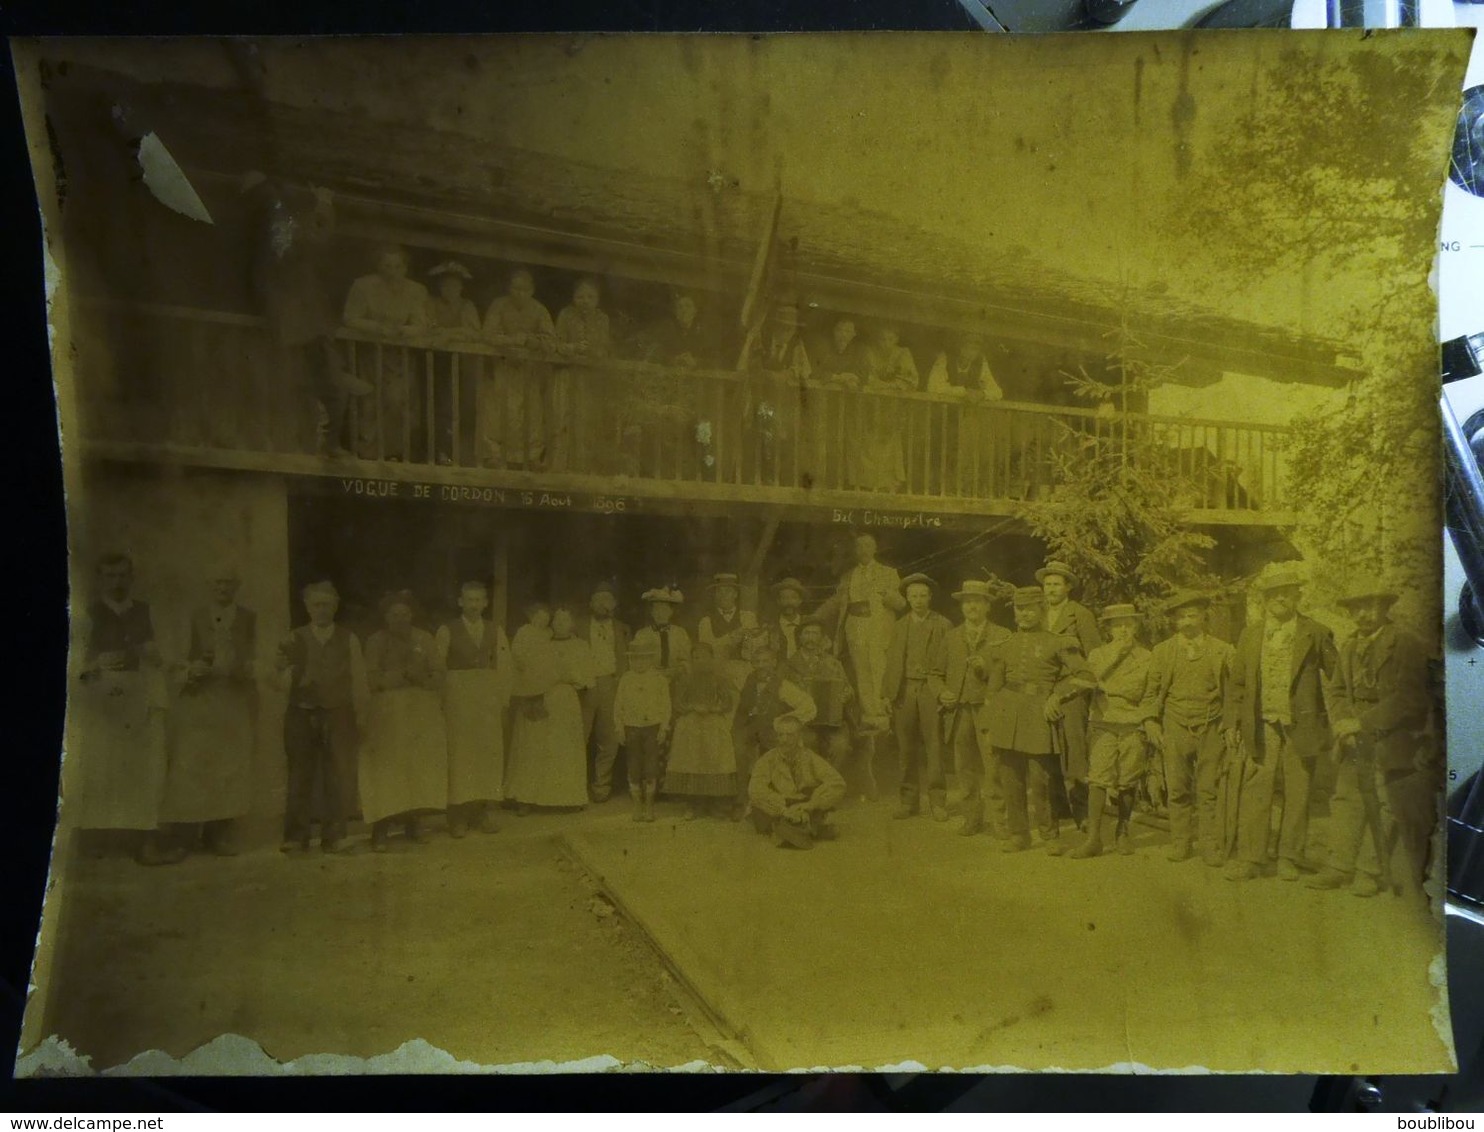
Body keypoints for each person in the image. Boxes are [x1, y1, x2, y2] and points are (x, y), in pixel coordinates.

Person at [1306, 581, 1436, 897]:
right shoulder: (1350, 646)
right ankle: (1340, 865)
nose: (1362, 614)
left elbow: (1411, 699)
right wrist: (1342, 724)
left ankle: (1370, 871)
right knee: (1346, 798)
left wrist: (1361, 723)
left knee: (1383, 803)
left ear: (1384, 608)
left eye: (1369, 607)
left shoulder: (1407, 644)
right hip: (1353, 739)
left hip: (1391, 738)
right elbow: (1336, 692)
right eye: (1355, 608)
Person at [1221, 563, 1338, 882]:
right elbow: (1238, 684)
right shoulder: (1251, 634)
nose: (1280, 599)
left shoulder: (1315, 632)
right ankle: (1251, 858)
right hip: (1260, 724)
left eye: (1287, 593)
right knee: (1256, 789)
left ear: (1297, 597)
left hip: (1302, 725)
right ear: (1264, 600)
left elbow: (1339, 677)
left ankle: (1289, 856)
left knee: (1298, 791)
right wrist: (1232, 722)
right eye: (1274, 594)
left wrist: (1340, 718)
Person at [242, 174, 368, 459]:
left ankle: (326, 444)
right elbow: (317, 238)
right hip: (301, 325)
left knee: (323, 387)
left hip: (300, 326)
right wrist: (324, 203)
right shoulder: (275, 228)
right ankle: (325, 444)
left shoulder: (271, 227)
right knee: (327, 386)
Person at [69, 553, 179, 865]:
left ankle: (146, 844)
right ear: (100, 579)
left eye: (122, 575)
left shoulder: (145, 611)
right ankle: (94, 841)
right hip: (103, 700)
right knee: (103, 768)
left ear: (131, 578)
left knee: (147, 769)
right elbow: (73, 666)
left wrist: (155, 656)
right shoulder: (86, 614)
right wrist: (95, 663)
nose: (116, 582)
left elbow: (165, 657)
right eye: (109, 576)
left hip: (140, 692)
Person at [983, 586, 1095, 853]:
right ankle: (1019, 834)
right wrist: (989, 722)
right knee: (1010, 778)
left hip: (1039, 716)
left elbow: (1086, 676)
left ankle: (1049, 835)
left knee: (1040, 779)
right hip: (1008, 716)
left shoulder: (1058, 642)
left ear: (1041, 610)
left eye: (1030, 609)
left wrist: (1057, 696)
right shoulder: (1005, 645)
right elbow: (994, 689)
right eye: (1020, 609)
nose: (1024, 614)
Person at [161, 565, 258, 857]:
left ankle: (219, 835)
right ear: (209, 586)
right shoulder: (195, 617)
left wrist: (246, 669)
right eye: (218, 582)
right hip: (200, 699)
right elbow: (176, 659)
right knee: (192, 763)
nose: (223, 588)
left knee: (228, 764)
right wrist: (192, 669)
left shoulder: (248, 618)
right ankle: (184, 835)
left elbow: (257, 657)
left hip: (232, 698)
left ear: (236, 586)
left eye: (228, 583)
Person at [274, 580, 369, 855]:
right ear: (307, 607)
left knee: (337, 774)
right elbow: (278, 681)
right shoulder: (294, 637)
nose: (321, 610)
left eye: (327, 604)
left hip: (338, 712)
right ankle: (296, 836)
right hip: (301, 712)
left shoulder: (348, 638)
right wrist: (284, 673)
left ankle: (335, 836)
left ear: (335, 607)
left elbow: (359, 680)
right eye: (316, 604)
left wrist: (361, 715)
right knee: (300, 775)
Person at [1146, 590, 1235, 865]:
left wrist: (1230, 725)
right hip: (1175, 725)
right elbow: (1151, 691)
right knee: (1177, 788)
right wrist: (1150, 721)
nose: (1187, 621)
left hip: (1211, 725)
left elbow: (1233, 693)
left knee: (1209, 788)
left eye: (1193, 615)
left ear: (1203, 617)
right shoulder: (1163, 652)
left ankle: (1209, 844)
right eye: (1181, 617)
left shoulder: (1223, 650)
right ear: (1174, 621)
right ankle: (1181, 842)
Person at [361, 591, 448, 851]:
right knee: (388, 769)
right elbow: (372, 677)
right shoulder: (376, 641)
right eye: (394, 614)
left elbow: (439, 673)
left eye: (405, 614)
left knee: (418, 766)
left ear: (412, 615)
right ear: (386, 617)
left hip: (420, 710)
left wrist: (422, 679)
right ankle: (381, 828)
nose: (400, 619)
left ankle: (414, 822)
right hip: (389, 712)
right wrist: (400, 675)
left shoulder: (425, 638)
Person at [1070, 605, 1158, 859]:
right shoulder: (1098, 655)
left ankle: (1123, 829)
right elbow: (1091, 681)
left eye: (1128, 624)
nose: (1122, 630)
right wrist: (1116, 656)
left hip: (1132, 723)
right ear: (1107, 629)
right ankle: (1093, 838)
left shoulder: (1147, 657)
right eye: (1117, 625)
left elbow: (1149, 692)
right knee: (1098, 778)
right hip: (1103, 723)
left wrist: (1145, 718)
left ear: (1136, 626)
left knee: (1128, 779)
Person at [435, 580, 512, 837]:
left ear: (486, 603)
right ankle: (457, 816)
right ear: (460, 602)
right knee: (460, 754)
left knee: (485, 754)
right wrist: (442, 701)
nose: (474, 605)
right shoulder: (447, 630)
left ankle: (480, 812)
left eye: (479, 600)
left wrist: (502, 698)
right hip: (459, 697)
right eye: (470, 600)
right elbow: (438, 667)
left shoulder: (494, 630)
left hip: (486, 698)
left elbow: (504, 666)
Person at [342, 244, 430, 462]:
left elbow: (422, 324)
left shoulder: (416, 290)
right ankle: (368, 453)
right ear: (379, 266)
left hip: (400, 357)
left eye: (397, 266)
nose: (392, 271)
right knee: (370, 402)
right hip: (371, 355)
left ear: (405, 268)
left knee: (399, 402)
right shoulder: (363, 286)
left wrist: (403, 330)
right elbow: (350, 318)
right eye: (387, 265)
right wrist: (377, 328)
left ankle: (395, 454)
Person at [1037, 559, 1102, 848]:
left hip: (1072, 691)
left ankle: (1082, 812)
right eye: (1047, 584)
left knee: (1074, 749)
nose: (1051, 589)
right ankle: (1057, 808)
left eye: (1056, 584)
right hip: (1041, 690)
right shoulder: (1035, 614)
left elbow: (1093, 657)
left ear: (1068, 588)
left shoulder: (1080, 615)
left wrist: (1081, 690)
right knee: (1045, 748)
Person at [940, 579, 1011, 838]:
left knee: (993, 763)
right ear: (961, 607)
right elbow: (934, 673)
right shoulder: (950, 637)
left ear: (987, 606)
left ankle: (1000, 820)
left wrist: (986, 668)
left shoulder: (1001, 636)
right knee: (964, 765)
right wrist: (943, 692)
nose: (972, 606)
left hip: (987, 708)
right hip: (959, 710)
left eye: (977, 601)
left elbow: (1010, 673)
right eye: (967, 601)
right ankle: (972, 818)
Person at [505, 605, 593, 813]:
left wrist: (566, 675)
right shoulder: (540, 642)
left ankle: (566, 798)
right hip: (539, 697)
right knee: (534, 746)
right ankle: (527, 798)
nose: (559, 624)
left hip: (565, 699)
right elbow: (525, 668)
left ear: (572, 624)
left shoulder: (581, 646)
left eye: (565, 620)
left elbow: (585, 676)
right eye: (557, 620)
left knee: (562, 747)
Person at [882, 573, 953, 821]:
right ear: (907, 598)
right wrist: (887, 694)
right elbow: (891, 662)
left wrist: (944, 691)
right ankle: (908, 801)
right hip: (904, 691)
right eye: (913, 596)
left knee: (934, 746)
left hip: (930, 690)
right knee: (905, 748)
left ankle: (937, 802)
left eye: (923, 595)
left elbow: (951, 663)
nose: (918, 600)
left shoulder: (943, 624)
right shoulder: (900, 625)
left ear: (930, 597)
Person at [822, 533, 905, 732]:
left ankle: (882, 714)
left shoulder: (888, 572)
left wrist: (887, 595)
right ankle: (869, 716)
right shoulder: (848, 575)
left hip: (878, 627)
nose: (864, 550)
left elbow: (901, 604)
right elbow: (837, 604)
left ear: (875, 549)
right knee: (861, 670)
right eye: (859, 547)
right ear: (855, 551)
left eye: (868, 546)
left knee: (879, 669)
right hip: (855, 626)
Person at [732, 643, 818, 820]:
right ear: (752, 663)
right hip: (749, 729)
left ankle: (771, 805)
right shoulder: (748, 681)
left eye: (766, 661)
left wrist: (783, 721)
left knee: (772, 760)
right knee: (738, 752)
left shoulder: (783, 686)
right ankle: (742, 800)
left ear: (774, 663)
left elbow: (809, 706)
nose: (761, 665)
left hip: (771, 731)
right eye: (757, 661)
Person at [482, 267, 557, 470]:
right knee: (500, 410)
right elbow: (488, 334)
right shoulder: (499, 305)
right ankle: (495, 455)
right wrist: (511, 341)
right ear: (509, 288)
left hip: (529, 371)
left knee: (531, 411)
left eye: (524, 289)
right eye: (515, 288)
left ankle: (532, 457)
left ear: (532, 290)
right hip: (504, 367)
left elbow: (551, 340)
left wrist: (534, 341)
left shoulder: (539, 309)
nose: (520, 293)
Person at [748, 714, 847, 849]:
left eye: (790, 735)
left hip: (803, 804)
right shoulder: (768, 759)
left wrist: (811, 804)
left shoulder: (810, 757)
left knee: (809, 812)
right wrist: (783, 810)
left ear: (799, 737)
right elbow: (755, 789)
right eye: (781, 735)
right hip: (778, 805)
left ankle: (792, 832)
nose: (784, 740)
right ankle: (810, 830)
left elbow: (837, 783)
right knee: (760, 811)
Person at [663, 642, 739, 818]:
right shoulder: (686, 679)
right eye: (696, 657)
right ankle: (693, 804)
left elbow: (727, 702)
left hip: (713, 722)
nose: (700, 661)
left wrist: (714, 709)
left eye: (704, 657)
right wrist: (692, 707)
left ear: (711, 658)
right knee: (693, 761)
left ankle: (714, 803)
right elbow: (678, 702)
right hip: (692, 722)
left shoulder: (719, 679)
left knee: (714, 760)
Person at [926, 332, 1006, 495]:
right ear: (960, 347)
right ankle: (937, 490)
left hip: (966, 420)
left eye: (975, 349)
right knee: (940, 453)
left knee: (964, 455)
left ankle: (959, 490)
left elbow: (997, 392)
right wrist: (962, 391)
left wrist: (982, 394)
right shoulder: (945, 358)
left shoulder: (980, 363)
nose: (971, 352)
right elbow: (933, 387)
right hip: (943, 416)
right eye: (968, 347)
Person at [425, 261, 484, 467]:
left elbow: (474, 333)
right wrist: (451, 334)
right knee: (440, 407)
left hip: (463, 364)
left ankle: (463, 455)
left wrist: (450, 334)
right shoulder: (431, 303)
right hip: (438, 363)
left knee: (465, 407)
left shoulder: (467, 306)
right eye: (445, 285)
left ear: (461, 288)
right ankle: (441, 452)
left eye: (454, 285)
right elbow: (428, 329)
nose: (449, 290)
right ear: (439, 287)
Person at [552, 277, 614, 471]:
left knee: (587, 421)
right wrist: (573, 348)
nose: (585, 301)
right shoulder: (566, 315)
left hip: (590, 380)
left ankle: (585, 468)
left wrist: (593, 351)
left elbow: (604, 347)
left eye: (590, 296)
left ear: (597, 299)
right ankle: (560, 467)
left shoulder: (602, 319)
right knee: (563, 419)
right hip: (567, 376)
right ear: (573, 298)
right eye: (580, 296)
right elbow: (557, 343)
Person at [579, 581, 632, 803]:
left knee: (609, 739)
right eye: (598, 600)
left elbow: (627, 660)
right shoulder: (579, 627)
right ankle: (574, 787)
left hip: (611, 684)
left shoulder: (623, 628)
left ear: (615, 604)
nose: (603, 605)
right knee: (578, 735)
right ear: (591, 603)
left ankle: (601, 787)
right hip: (584, 686)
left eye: (608, 600)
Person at [851, 323, 919, 493]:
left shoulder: (903, 353)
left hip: (892, 408)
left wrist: (887, 386)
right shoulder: (869, 352)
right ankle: (869, 484)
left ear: (896, 339)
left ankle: (889, 485)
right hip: (870, 406)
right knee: (869, 444)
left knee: (890, 445)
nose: (886, 342)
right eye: (882, 339)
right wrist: (881, 385)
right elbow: (867, 377)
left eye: (890, 339)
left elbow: (910, 380)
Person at [783, 614, 856, 772]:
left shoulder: (833, 663)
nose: (811, 638)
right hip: (802, 722)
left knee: (840, 745)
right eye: (807, 633)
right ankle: (808, 785)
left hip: (831, 722)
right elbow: (780, 696)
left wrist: (845, 695)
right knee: (806, 741)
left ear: (822, 638)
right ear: (800, 637)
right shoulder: (788, 666)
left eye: (815, 633)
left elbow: (848, 689)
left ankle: (829, 784)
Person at [803, 316, 869, 486]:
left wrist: (851, 378)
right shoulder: (823, 346)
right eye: (840, 330)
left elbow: (863, 375)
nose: (843, 335)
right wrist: (840, 377)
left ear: (854, 334)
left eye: (848, 331)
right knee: (823, 440)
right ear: (834, 332)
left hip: (849, 406)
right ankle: (821, 480)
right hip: (824, 405)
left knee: (849, 441)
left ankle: (848, 482)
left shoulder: (859, 350)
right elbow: (815, 370)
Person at [614, 639, 673, 822]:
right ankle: (637, 804)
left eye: (642, 659)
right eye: (634, 659)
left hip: (652, 728)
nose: (638, 663)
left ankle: (649, 804)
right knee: (634, 765)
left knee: (650, 766)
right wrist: (619, 727)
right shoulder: (626, 679)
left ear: (650, 660)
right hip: (632, 728)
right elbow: (619, 705)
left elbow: (666, 706)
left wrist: (663, 728)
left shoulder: (658, 679)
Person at [697, 573, 758, 688]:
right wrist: (729, 638)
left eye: (727, 591)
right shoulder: (705, 622)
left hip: (743, 671)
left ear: (735, 594)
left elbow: (754, 648)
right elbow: (705, 652)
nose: (723, 595)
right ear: (715, 595)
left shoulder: (748, 617)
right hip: (718, 671)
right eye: (719, 591)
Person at [636, 292, 714, 368]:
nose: (684, 310)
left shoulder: (702, 333)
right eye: (680, 307)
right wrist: (673, 360)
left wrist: (696, 362)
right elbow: (652, 351)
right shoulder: (666, 329)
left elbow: (714, 359)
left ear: (695, 311)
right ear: (676, 312)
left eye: (688, 306)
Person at [632, 586, 692, 677]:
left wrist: (676, 670)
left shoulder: (680, 633)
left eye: (664, 609)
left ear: (671, 611)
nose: (660, 613)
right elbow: (637, 661)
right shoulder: (642, 634)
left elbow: (687, 659)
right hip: (650, 680)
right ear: (651, 612)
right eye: (656, 609)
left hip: (675, 680)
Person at [769, 577, 807, 660]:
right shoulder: (770, 626)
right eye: (784, 598)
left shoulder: (807, 624)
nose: (789, 602)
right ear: (778, 601)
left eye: (793, 598)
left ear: (800, 601)